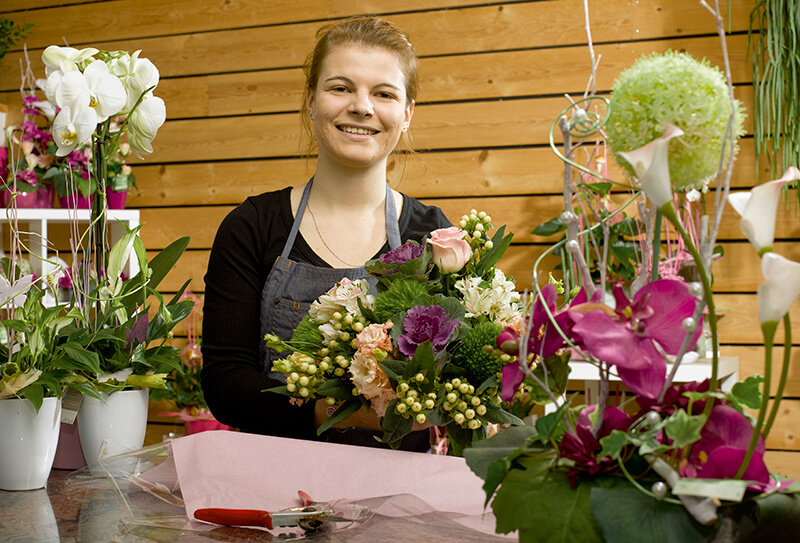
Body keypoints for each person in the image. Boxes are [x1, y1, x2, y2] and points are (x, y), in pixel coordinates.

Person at [201, 16, 452, 452]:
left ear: (407, 114)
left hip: (402, 501)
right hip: (274, 496)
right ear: (311, 101)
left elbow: (458, 376)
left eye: (384, 93)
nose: (362, 106)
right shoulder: (252, 227)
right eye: (341, 88)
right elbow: (225, 383)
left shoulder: (436, 238)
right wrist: (333, 413)